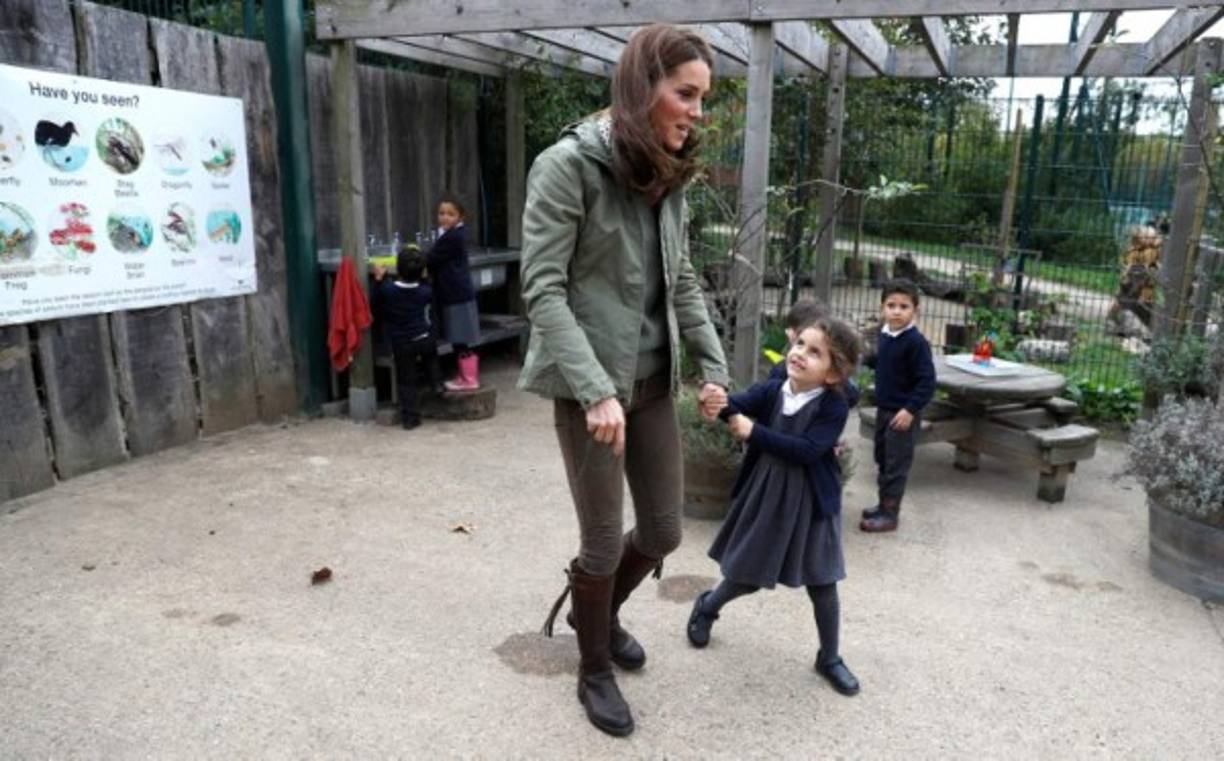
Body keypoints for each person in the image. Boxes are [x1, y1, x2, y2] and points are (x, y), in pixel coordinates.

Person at [518, 24, 729, 738]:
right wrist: (592, 387)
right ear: (644, 89)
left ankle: (592, 614)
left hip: (650, 385)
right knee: (604, 543)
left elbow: (684, 279)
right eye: (686, 94)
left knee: (666, 528)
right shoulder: (566, 166)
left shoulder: (664, 174)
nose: (697, 111)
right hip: (592, 393)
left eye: (703, 97)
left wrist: (713, 366)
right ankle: (594, 666)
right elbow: (543, 289)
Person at [687, 317, 863, 697]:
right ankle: (708, 606)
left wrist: (754, 432)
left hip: (814, 503)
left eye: (815, 352)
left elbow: (808, 451)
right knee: (747, 574)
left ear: (833, 375)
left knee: (824, 582)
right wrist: (714, 400)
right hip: (769, 496)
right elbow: (735, 404)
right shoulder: (772, 390)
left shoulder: (832, 406)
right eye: (800, 344)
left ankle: (829, 657)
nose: (799, 353)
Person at [860, 278, 935, 533]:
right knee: (882, 458)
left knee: (896, 464)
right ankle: (882, 505)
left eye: (904, 306)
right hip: (884, 410)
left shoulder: (916, 343)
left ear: (915, 310)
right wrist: (865, 359)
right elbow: (883, 362)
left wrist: (910, 410)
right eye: (891, 305)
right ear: (882, 308)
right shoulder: (886, 336)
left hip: (903, 415)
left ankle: (890, 515)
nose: (896, 311)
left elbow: (927, 382)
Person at [371, 249, 442, 430]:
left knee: (406, 381)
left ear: (399, 271)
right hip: (424, 337)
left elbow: (376, 299)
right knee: (431, 357)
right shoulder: (425, 291)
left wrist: (379, 278)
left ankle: (411, 418)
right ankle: (436, 382)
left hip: (402, 342)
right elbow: (427, 288)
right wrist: (424, 277)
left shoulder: (389, 290)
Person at [427, 195, 481, 391]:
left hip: (456, 294)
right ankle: (466, 376)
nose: (445, 218)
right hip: (456, 293)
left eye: (451, 214)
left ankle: (469, 379)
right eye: (442, 213)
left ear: (461, 217)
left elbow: (432, 258)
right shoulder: (451, 235)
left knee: (460, 339)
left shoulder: (452, 237)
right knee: (460, 338)